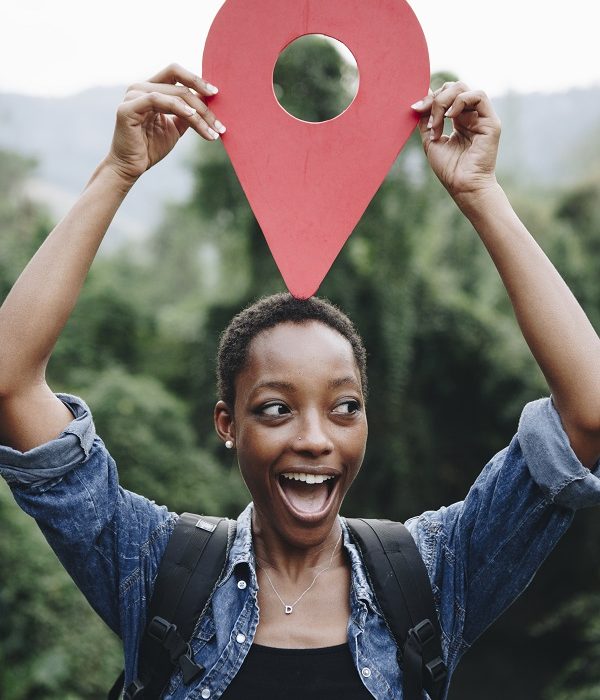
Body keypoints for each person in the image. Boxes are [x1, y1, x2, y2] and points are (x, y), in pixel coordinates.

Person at [1, 63, 600, 699]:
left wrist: (481, 192)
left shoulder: (432, 576)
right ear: (226, 424)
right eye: (276, 409)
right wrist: (117, 173)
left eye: (344, 407)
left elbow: (588, 412)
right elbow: (11, 383)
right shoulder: (155, 569)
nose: (315, 438)